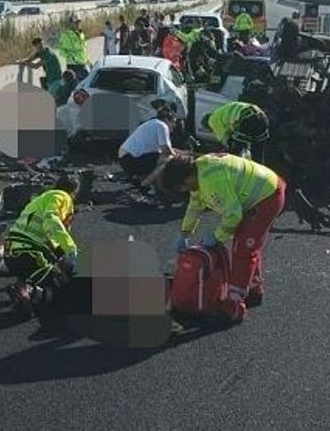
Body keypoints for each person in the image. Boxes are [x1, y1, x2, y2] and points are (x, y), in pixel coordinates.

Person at [160, 153, 287, 321]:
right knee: (246, 245)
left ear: (186, 178)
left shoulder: (211, 181)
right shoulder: (199, 170)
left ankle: (234, 305)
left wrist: (217, 237)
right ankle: (253, 289)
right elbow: (195, 206)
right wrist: (184, 233)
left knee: (244, 249)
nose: (182, 191)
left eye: (180, 187)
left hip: (268, 196)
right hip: (260, 190)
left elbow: (233, 215)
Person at [2, 175, 80, 308]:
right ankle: (33, 295)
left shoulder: (39, 200)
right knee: (61, 285)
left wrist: (58, 250)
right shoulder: (62, 196)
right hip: (30, 253)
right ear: (73, 192)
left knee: (34, 267)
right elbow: (50, 219)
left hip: (11, 255)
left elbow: (47, 236)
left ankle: (22, 287)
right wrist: (70, 248)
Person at [117, 107, 175, 183]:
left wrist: (180, 152)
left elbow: (166, 149)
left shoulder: (152, 123)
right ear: (167, 120)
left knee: (160, 155)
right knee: (167, 159)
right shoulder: (162, 126)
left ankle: (139, 177)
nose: (174, 125)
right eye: (174, 122)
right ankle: (146, 184)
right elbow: (166, 149)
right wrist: (180, 157)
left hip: (124, 158)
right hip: (130, 160)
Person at [201, 101, 269, 162]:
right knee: (258, 153)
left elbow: (225, 140)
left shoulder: (212, 120)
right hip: (262, 117)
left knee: (235, 152)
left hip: (247, 119)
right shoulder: (221, 112)